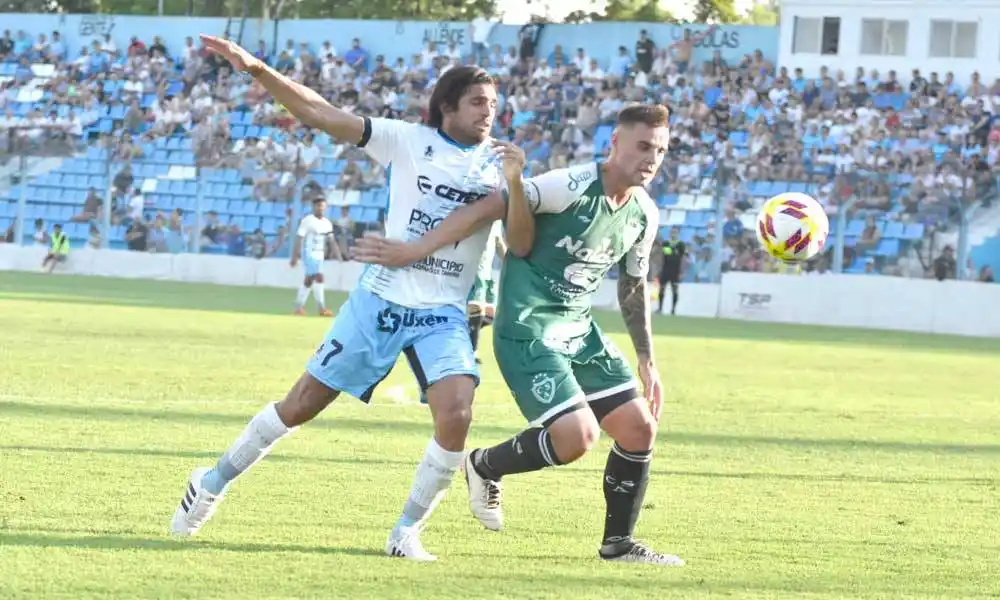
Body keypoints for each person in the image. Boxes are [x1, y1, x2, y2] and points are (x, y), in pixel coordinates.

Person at [170, 34, 514, 562]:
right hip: (379, 301)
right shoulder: (407, 140)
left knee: (457, 414)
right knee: (301, 405)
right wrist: (257, 68)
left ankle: (405, 532)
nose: (488, 113)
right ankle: (210, 482)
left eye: (493, 104)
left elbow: (516, 227)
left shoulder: (500, 166)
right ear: (447, 106)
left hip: (442, 312)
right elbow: (320, 113)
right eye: (477, 102)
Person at [353, 104, 683, 566]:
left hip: (579, 330)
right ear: (614, 143)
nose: (652, 158)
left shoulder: (644, 213)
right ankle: (484, 466)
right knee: (577, 437)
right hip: (528, 331)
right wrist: (417, 249)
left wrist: (647, 359)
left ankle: (619, 545)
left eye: (661, 150)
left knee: (639, 428)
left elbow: (632, 288)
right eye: (643, 146)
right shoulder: (567, 186)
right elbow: (495, 205)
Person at [467, 220, 506, 364]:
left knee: (492, 313)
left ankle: (462, 333)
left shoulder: (496, 220)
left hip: (487, 271)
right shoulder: (479, 214)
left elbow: (498, 241)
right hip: (475, 268)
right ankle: (471, 351)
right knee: (477, 308)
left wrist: (511, 262)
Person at [290, 197, 334, 316]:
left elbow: (331, 240)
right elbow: (299, 237)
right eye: (318, 206)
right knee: (319, 277)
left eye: (323, 206)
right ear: (313, 207)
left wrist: (338, 254)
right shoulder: (307, 220)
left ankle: (299, 307)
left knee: (309, 281)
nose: (321, 208)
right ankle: (321, 308)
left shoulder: (327, 223)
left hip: (320, 255)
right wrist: (294, 256)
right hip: (309, 254)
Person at [658, 226, 686, 315]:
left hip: (675, 271)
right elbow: (664, 255)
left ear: (678, 233)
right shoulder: (666, 243)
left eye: (675, 232)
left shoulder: (681, 245)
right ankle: (660, 308)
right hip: (665, 270)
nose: (673, 233)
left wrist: (682, 271)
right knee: (662, 289)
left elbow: (683, 258)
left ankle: (673, 310)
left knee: (674, 290)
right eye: (672, 232)